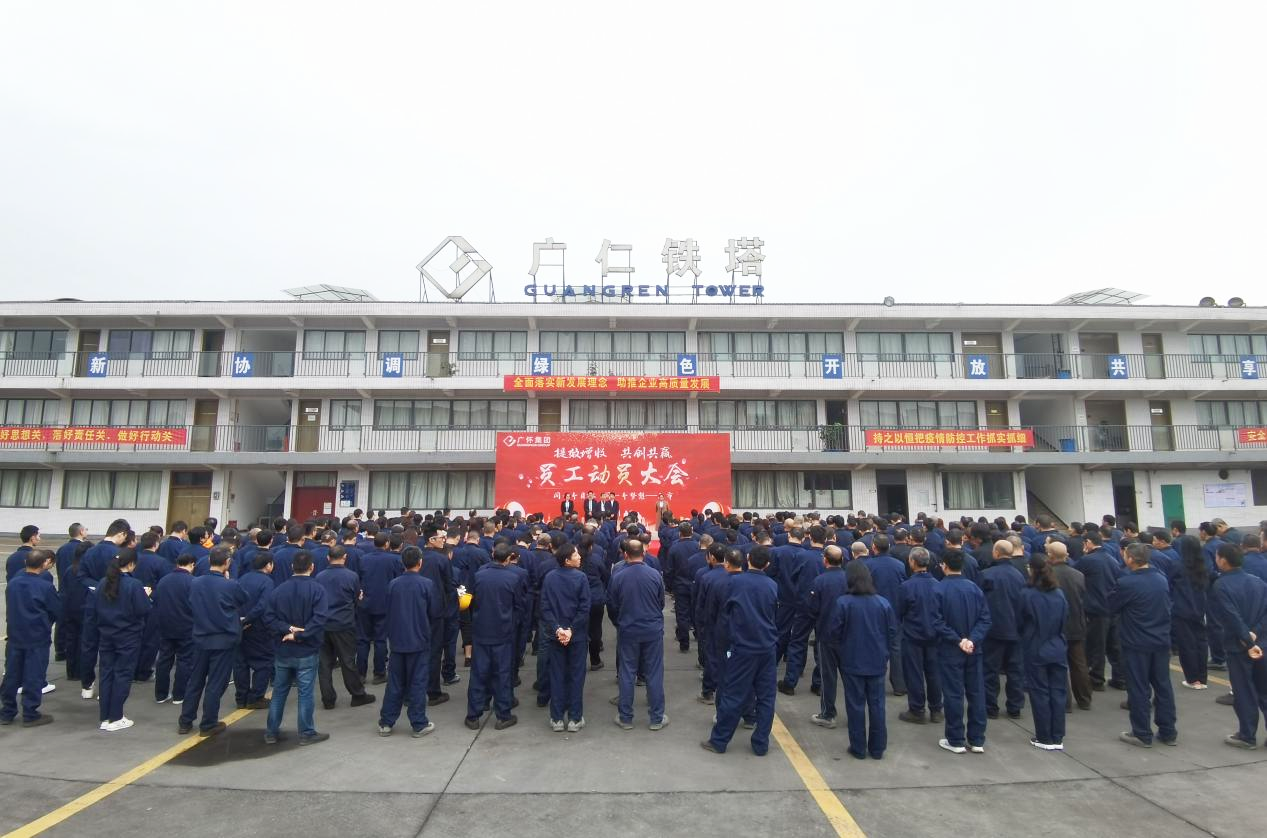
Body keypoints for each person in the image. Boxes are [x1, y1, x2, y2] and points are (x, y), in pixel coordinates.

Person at [702, 544, 779, 755]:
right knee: (766, 697)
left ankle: (719, 740)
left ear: (748, 559)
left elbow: (724, 615)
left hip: (742, 647)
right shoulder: (772, 585)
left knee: (733, 694)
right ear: (767, 564)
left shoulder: (734, 583)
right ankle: (761, 743)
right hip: (767, 646)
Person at [828, 562, 897, 760]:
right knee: (877, 705)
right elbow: (892, 632)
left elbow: (834, 633)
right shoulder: (883, 603)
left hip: (852, 660)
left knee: (855, 705)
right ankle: (878, 748)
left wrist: (843, 649)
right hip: (877, 661)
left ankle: (858, 747)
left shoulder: (843, 603)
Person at [1112, 543, 1177, 748]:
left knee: (1139, 687)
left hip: (1136, 642)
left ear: (1130, 559)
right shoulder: (1160, 579)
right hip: (1160, 639)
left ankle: (1141, 732)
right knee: (1163, 686)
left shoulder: (1127, 583)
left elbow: (1111, 605)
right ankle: (1168, 731)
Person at [263, 551, 331, 745]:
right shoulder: (317, 590)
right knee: (305, 692)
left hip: (283, 649)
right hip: (307, 650)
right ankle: (306, 733)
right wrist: (300, 634)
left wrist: (287, 629)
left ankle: (271, 732)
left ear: (292, 567)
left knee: (279, 692)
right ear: (312, 567)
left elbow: (268, 618)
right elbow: (319, 620)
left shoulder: (278, 590)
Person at [180, 545, 247, 737]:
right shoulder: (230, 585)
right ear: (227, 563)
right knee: (216, 683)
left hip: (201, 637)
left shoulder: (195, 582)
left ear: (209, 561)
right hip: (224, 639)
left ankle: (185, 720)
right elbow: (243, 598)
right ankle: (208, 722)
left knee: (195, 680)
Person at [377, 546, 440, 738]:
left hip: (397, 640)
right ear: (420, 562)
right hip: (419, 640)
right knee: (418, 682)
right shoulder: (427, 584)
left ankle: (386, 722)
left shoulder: (393, 584)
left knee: (395, 682)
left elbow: (387, 609)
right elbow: (434, 612)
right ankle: (418, 723)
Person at [933, 551, 992, 754]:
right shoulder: (974, 589)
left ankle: (956, 738)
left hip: (950, 649)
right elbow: (985, 619)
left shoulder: (939, 589)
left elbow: (936, 621)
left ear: (944, 565)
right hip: (974, 649)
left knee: (953, 694)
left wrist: (958, 640)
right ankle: (977, 739)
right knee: (976, 693)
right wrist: (972, 639)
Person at [1209, 544, 1267, 748]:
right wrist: (1255, 633)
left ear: (1223, 560)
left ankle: (1247, 735)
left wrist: (1246, 639)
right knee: (1264, 690)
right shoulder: (1258, 582)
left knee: (1243, 691)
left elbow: (1231, 616)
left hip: (1238, 646)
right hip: (1262, 643)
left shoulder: (1221, 585)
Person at [466, 542, 528, 730]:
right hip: (503, 632)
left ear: (493, 555)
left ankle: (473, 715)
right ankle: (503, 714)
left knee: (478, 673)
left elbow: (471, 601)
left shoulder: (479, 576)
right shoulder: (513, 578)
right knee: (502, 674)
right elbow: (519, 606)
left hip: (481, 630)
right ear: (509, 558)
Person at [608, 539, 668, 731]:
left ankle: (625, 717)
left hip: (628, 628)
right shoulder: (654, 575)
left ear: (625, 554)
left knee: (627, 672)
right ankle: (656, 717)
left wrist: (619, 623)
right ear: (644, 552)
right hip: (652, 629)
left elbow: (612, 605)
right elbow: (661, 602)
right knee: (654, 672)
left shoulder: (618, 576)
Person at [1, 548, 61, 727]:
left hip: (15, 635)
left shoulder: (13, 584)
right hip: (37, 636)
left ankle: (7, 711)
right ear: (44, 564)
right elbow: (56, 610)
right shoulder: (45, 587)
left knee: (12, 674)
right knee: (33, 675)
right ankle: (30, 712)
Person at [93, 549, 152, 732]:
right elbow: (143, 609)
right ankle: (116, 716)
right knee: (123, 674)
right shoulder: (134, 584)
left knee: (106, 674)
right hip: (128, 635)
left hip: (106, 633)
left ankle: (105, 716)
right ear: (131, 564)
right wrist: (146, 595)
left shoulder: (103, 582)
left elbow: (95, 607)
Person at [314, 545, 375, 710]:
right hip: (343, 623)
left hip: (323, 623)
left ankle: (328, 699)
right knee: (347, 661)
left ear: (328, 558)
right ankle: (357, 694)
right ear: (345, 557)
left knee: (324, 663)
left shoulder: (319, 576)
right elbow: (356, 597)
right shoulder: (351, 576)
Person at [1019, 555, 1069, 750]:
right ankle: (1057, 735)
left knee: (1039, 692)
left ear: (1031, 569)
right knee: (1058, 692)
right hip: (1057, 646)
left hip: (1036, 647)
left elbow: (1020, 622)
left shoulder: (1027, 594)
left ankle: (1044, 736)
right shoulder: (1059, 594)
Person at [542, 543, 591, 732]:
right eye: (576, 555)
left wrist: (557, 629)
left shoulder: (550, 578)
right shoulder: (581, 578)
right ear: (567, 560)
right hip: (576, 636)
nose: (579, 557)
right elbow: (584, 608)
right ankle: (574, 718)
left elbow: (545, 607)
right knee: (576, 676)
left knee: (557, 675)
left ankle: (556, 718)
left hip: (556, 635)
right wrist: (570, 630)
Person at [896, 547, 943, 725]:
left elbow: (899, 611)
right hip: (935, 635)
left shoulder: (906, 587)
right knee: (934, 673)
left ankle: (917, 709)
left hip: (913, 635)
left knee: (914, 673)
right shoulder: (938, 585)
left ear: (912, 562)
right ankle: (936, 709)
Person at [806, 545, 850, 728]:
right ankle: (854, 713)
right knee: (850, 677)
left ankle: (828, 713)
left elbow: (812, 609)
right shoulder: (850, 579)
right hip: (848, 635)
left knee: (828, 676)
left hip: (826, 634)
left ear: (825, 560)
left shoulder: (820, 581)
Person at [981, 540, 1026, 720]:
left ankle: (990, 706)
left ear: (996, 553)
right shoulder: (1019, 575)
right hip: (1015, 628)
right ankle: (1015, 707)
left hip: (993, 629)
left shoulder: (986, 575)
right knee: (1015, 670)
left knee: (990, 670)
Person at [1046, 542, 1091, 711]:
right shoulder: (1078, 575)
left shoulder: (1048, 576)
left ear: (1050, 555)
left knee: (1058, 664)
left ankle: (1064, 701)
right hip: (1076, 623)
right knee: (1079, 663)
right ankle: (1084, 698)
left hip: (1056, 625)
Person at [234, 553, 277, 709]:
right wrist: (248, 619)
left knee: (241, 663)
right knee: (264, 662)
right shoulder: (267, 582)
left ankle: (241, 697)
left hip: (239, 626)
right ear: (268, 565)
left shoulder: (242, 579)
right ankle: (256, 697)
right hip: (258, 627)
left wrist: (240, 621)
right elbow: (263, 605)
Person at [153, 553, 196, 705]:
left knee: (164, 660)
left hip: (165, 626)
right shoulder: (192, 581)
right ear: (191, 564)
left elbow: (157, 600)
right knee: (185, 661)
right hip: (186, 626)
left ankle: (160, 694)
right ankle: (179, 695)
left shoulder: (164, 580)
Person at [1172, 534, 1210, 690]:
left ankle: (1192, 679)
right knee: (1201, 642)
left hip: (1182, 610)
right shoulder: (1203, 566)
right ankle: (1202, 678)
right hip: (1200, 609)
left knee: (1187, 644)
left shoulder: (1178, 566)